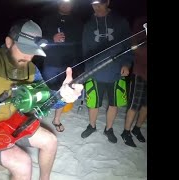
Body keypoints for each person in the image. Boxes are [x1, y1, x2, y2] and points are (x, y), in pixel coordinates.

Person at [0, 19, 83, 180]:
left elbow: (45, 99)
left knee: (50, 141)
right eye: (24, 49)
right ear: (8, 42)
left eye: (33, 51)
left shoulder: (31, 69)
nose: (29, 57)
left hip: (13, 121)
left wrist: (64, 96)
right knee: (23, 163)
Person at [80, 0, 134, 144]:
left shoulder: (120, 21)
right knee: (93, 102)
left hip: (116, 71)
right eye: (93, 4)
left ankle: (108, 129)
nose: (97, 7)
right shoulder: (89, 24)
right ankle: (91, 126)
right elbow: (85, 49)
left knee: (114, 103)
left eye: (100, 3)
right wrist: (87, 70)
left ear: (107, 2)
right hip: (95, 71)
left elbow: (128, 45)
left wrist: (127, 63)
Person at [40, 0, 83, 132]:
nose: (66, 4)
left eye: (69, 2)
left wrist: (78, 66)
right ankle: (39, 117)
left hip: (68, 65)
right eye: (63, 2)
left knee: (63, 92)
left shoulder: (78, 22)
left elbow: (79, 44)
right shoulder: (47, 19)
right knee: (46, 91)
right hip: (50, 63)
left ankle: (56, 119)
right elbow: (38, 40)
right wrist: (51, 39)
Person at [121, 16, 147, 147]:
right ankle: (126, 132)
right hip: (140, 70)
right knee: (134, 104)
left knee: (146, 105)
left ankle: (137, 129)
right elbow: (133, 46)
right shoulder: (141, 21)